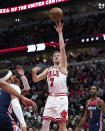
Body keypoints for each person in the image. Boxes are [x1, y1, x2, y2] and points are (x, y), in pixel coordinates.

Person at [32, 21, 68, 131]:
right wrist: (33, 73)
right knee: (45, 124)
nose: (57, 56)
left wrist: (60, 33)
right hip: (51, 97)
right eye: (55, 56)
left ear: (61, 58)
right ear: (52, 59)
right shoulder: (48, 70)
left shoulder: (63, 67)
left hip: (61, 97)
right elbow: (36, 80)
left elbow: (62, 48)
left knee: (62, 125)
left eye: (58, 55)